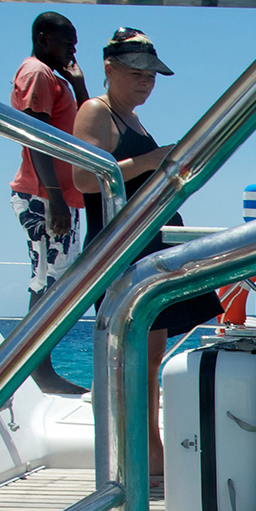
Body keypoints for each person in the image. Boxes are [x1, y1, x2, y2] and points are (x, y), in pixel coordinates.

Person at [72, 27, 223, 479]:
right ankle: (139, 460)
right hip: (124, 252)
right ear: (109, 68)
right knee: (131, 361)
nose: (146, 80)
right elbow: (83, 179)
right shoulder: (96, 112)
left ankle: (150, 456)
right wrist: (155, 159)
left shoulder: (131, 119)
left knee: (151, 360)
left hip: (151, 249)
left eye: (152, 74)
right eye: (136, 71)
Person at [9, 12, 89, 394]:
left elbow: (87, 130)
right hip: (44, 196)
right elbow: (35, 135)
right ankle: (37, 370)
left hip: (61, 196)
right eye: (66, 43)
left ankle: (39, 365)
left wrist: (79, 85)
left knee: (56, 282)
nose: (72, 52)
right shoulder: (37, 73)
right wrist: (54, 196)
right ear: (43, 39)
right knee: (47, 282)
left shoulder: (56, 79)